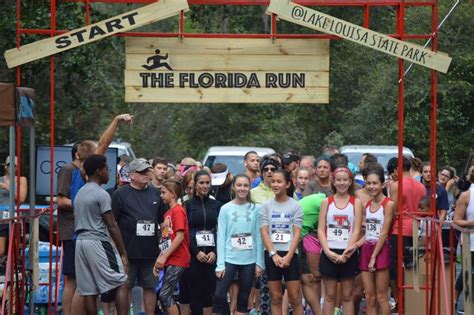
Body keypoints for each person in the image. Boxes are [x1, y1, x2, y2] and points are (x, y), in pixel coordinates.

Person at [57, 113, 133, 315]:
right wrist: (116, 121)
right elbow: (103, 144)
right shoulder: (87, 181)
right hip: (94, 238)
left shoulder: (79, 180)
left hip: (79, 237)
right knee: (117, 282)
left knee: (82, 287)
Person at [73, 154, 129, 315]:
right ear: (98, 171)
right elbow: (111, 224)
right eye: (106, 169)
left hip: (81, 242)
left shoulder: (80, 192)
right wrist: (123, 253)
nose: (109, 172)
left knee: (89, 290)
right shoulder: (101, 194)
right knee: (121, 281)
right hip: (98, 241)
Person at [112, 158, 167, 315]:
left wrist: (163, 249)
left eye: (147, 171)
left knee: (150, 286)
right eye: (142, 172)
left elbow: (164, 224)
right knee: (124, 286)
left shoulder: (157, 193)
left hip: (150, 252)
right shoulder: (120, 194)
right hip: (127, 251)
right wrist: (117, 250)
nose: (146, 174)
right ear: (132, 175)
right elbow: (112, 223)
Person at [213, 174, 264, 315]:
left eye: (246, 185)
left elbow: (259, 236)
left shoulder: (256, 209)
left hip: (249, 260)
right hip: (229, 258)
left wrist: (259, 262)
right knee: (219, 295)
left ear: (249, 188)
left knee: (244, 297)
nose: (242, 188)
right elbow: (221, 236)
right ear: (234, 187)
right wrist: (220, 264)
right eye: (239, 185)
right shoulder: (225, 209)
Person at [318, 166, 363, 315]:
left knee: (347, 296)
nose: (342, 183)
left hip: (348, 252)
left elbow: (356, 229)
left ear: (350, 182)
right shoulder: (327, 202)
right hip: (329, 250)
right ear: (333, 182)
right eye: (339, 180)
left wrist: (348, 253)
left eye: (345, 180)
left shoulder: (355, 202)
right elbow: (320, 229)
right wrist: (327, 251)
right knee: (330, 296)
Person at [260, 169, 304, 315]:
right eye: (273, 181)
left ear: (288, 184)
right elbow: (264, 232)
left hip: (290, 254)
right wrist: (274, 254)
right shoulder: (266, 206)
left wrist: (289, 256)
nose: (275, 184)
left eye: (279, 181)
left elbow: (297, 233)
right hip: (272, 254)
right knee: (276, 297)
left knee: (294, 297)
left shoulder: (295, 206)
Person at [386, 157, 426, 311]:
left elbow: (392, 209)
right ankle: (412, 298)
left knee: (395, 266)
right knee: (412, 265)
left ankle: (399, 301)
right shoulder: (421, 186)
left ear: (397, 169)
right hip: (417, 228)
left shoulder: (396, 185)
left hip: (400, 228)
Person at [180, 170, 221, 315]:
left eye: (207, 183)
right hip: (193, 254)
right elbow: (185, 231)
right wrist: (196, 252)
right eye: (201, 183)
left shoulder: (216, 205)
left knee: (209, 292)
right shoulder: (188, 204)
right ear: (195, 185)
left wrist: (214, 252)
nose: (204, 186)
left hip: (211, 254)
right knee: (194, 291)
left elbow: (219, 231)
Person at [359, 164, 394, 315]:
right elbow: (368, 232)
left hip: (381, 250)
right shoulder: (367, 204)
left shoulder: (388, 204)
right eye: (368, 183)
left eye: (375, 183)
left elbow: (384, 233)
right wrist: (353, 246)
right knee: (369, 297)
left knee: (381, 296)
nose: (371, 186)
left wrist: (373, 257)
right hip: (367, 248)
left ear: (382, 184)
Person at [154, 180, 190, 315]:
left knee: (165, 295)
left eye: (163, 192)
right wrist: (159, 258)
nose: (161, 196)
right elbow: (166, 239)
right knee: (165, 295)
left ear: (173, 194)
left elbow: (180, 237)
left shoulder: (178, 211)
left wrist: (164, 257)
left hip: (179, 258)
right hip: (170, 258)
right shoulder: (167, 213)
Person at [299, 193, 326, 315]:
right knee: (294, 284)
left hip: (300, 238)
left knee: (307, 279)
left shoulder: (317, 198)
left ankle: (315, 312)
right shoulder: (322, 202)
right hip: (295, 240)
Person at [453, 165, 474, 313]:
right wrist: (471, 223)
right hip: (470, 240)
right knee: (467, 272)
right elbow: (456, 220)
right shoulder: (466, 195)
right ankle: (454, 300)